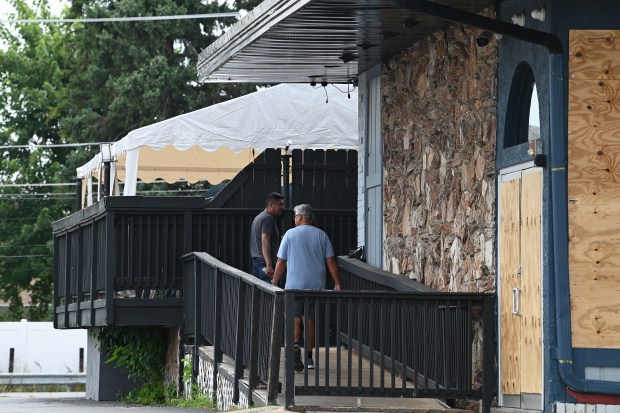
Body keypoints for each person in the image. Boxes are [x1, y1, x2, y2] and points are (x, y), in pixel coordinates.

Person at [272, 204, 341, 371]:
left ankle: (295, 350)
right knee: (310, 320)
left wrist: (274, 281)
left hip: (294, 286)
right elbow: (330, 260)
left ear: (300, 217)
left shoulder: (289, 234)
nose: (294, 218)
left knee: (295, 318)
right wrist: (337, 283)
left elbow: (281, 261)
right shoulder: (321, 235)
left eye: (295, 216)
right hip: (315, 286)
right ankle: (309, 358)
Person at [250, 192, 285, 284]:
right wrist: (269, 265)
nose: (283, 207)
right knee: (273, 296)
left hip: (257, 264)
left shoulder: (259, 217)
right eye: (280, 204)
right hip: (265, 265)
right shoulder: (268, 218)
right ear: (271, 205)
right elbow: (265, 241)